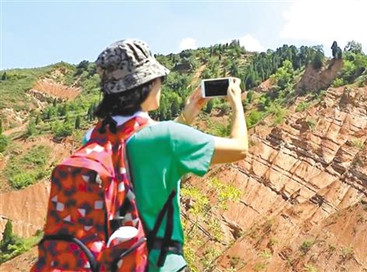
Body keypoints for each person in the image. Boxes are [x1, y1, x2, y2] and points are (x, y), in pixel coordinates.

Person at [89, 39, 248, 271]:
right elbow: (239, 147)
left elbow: (142, 145)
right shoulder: (168, 137)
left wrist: (187, 115)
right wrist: (237, 104)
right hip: (162, 264)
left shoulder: (93, 138)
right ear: (145, 84)